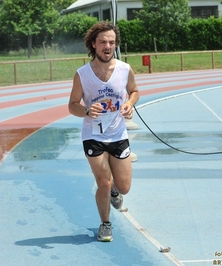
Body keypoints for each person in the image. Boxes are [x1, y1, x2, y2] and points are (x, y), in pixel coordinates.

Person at [68, 21, 139, 242]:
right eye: (102, 42)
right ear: (93, 45)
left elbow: (134, 91)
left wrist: (129, 104)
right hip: (93, 136)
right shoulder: (83, 74)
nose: (107, 46)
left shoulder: (125, 69)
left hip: (118, 134)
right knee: (103, 182)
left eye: (111, 42)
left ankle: (115, 193)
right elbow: (72, 105)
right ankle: (105, 224)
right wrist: (87, 110)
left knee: (123, 187)